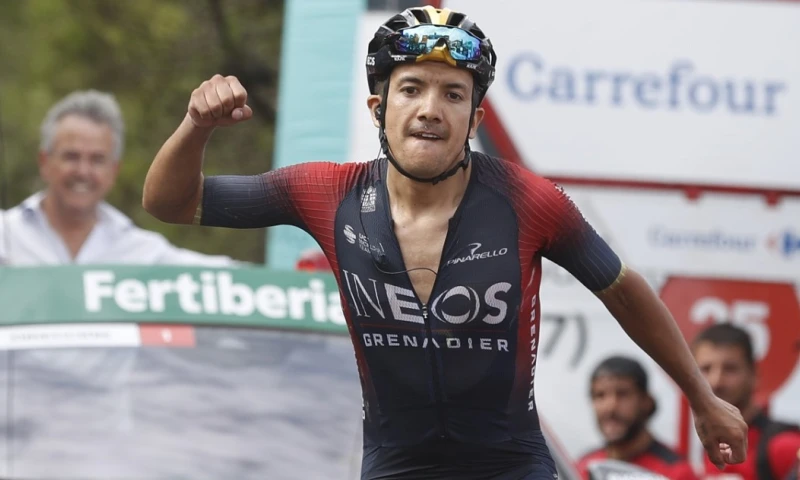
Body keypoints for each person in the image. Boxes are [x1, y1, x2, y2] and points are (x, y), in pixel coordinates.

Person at [142, 5, 747, 479]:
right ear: (378, 108)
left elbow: (623, 289)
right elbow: (169, 203)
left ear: (475, 119)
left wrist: (703, 398)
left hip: (512, 467)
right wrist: (196, 126)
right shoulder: (325, 192)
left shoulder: (529, 201)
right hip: (396, 466)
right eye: (411, 89)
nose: (431, 109)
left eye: (453, 94)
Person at [2, 89, 237, 266]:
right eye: (71, 157)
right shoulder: (6, 235)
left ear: (114, 170)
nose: (83, 171)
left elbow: (220, 277)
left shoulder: (139, 250)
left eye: (97, 160)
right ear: (44, 162)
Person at [692, 323, 800, 480]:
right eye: (706, 369)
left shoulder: (782, 445)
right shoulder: (712, 442)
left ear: (754, 374)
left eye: (730, 369)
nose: (716, 381)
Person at [577, 356, 698, 480]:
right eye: (600, 395)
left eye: (622, 394)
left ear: (646, 401)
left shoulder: (675, 472)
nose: (610, 407)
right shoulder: (583, 468)